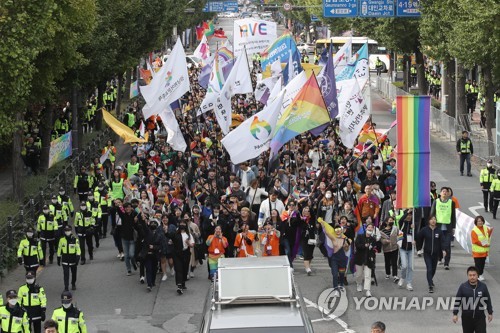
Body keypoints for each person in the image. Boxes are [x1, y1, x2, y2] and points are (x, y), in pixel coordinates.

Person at [452, 266, 493, 332]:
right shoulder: (463, 287)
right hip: (466, 319)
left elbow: (488, 300)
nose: (472, 277)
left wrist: (490, 312)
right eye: (470, 275)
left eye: (474, 275)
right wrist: (455, 314)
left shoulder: (483, 286)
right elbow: (458, 301)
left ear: (477, 275)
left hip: (480, 318)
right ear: (467, 276)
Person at [318, 218, 350, 297]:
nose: (338, 231)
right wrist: (323, 224)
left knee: (342, 274)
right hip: (334, 258)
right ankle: (336, 289)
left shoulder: (345, 239)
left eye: (339, 229)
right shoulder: (333, 238)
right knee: (335, 274)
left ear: (341, 230)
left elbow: (347, 249)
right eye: (336, 229)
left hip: (342, 258)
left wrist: (346, 245)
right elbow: (326, 233)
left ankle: (341, 285)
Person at [416, 215, 447, 293]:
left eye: (435, 219)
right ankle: (430, 285)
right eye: (432, 219)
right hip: (427, 253)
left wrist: (443, 250)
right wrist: (415, 241)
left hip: (436, 254)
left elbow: (443, 241)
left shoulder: (439, 231)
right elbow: (418, 237)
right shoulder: (425, 230)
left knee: (433, 270)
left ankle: (430, 279)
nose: (433, 221)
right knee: (429, 269)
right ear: (429, 221)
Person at [431, 187, 456, 269]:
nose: (445, 193)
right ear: (440, 193)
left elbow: (453, 216)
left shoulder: (451, 203)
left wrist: (453, 227)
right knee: (438, 245)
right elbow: (432, 214)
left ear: (448, 193)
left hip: (448, 228)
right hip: (438, 227)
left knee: (447, 246)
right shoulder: (436, 201)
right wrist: (432, 225)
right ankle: (439, 258)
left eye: (446, 191)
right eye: (443, 191)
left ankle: (446, 263)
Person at [354, 223, 378, 297]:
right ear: (366, 228)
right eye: (369, 227)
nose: (370, 229)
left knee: (368, 275)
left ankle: (367, 290)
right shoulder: (360, 236)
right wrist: (364, 246)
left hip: (369, 259)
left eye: (371, 228)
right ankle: (359, 284)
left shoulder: (373, 239)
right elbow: (357, 245)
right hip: (359, 258)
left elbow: (375, 248)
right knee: (359, 275)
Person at [116, 202, 139, 275]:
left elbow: (137, 212)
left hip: (132, 238)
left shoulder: (134, 215)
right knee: (126, 255)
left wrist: (135, 219)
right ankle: (129, 270)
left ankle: (134, 263)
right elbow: (118, 210)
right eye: (126, 208)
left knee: (132, 254)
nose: (127, 209)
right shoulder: (123, 215)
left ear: (131, 208)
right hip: (124, 238)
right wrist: (117, 204)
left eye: (128, 207)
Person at [173, 220, 194, 294]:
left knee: (184, 269)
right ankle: (179, 285)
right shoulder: (176, 234)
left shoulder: (189, 235)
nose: (182, 225)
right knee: (178, 269)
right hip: (177, 254)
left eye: (183, 223)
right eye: (181, 223)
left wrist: (188, 242)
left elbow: (192, 245)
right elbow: (171, 239)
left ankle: (183, 282)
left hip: (186, 253)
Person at [57, 225, 81, 291]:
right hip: (65, 259)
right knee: (66, 274)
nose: (67, 232)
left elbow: (78, 249)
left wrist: (78, 257)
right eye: (66, 231)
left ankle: (73, 284)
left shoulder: (75, 239)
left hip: (73, 259)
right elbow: (59, 249)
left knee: (74, 273)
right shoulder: (61, 240)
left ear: (71, 231)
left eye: (68, 231)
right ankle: (66, 286)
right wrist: (58, 258)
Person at [471, 215, 493, 281]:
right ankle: (478, 275)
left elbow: (487, 236)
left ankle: (480, 274)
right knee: (478, 265)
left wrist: (490, 231)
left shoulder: (486, 228)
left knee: (482, 264)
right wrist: (485, 245)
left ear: (483, 221)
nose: (480, 222)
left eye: (481, 221)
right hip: (477, 252)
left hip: (484, 252)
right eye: (478, 221)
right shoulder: (474, 231)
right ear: (476, 222)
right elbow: (475, 241)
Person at [398, 210, 414, 291]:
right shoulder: (402, 223)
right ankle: (402, 277)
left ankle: (409, 283)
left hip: (411, 249)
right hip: (403, 248)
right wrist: (408, 211)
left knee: (410, 267)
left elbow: (417, 236)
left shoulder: (413, 224)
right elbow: (401, 219)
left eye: (411, 215)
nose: (409, 216)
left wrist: (415, 241)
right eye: (408, 215)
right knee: (404, 266)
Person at [380, 217, 399, 283]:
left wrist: (399, 242)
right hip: (386, 249)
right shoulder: (382, 231)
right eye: (390, 220)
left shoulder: (395, 228)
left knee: (394, 262)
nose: (392, 221)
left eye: (392, 220)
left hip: (395, 248)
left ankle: (395, 275)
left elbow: (400, 235)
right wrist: (385, 241)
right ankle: (387, 273)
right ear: (386, 222)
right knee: (387, 262)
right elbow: (381, 240)